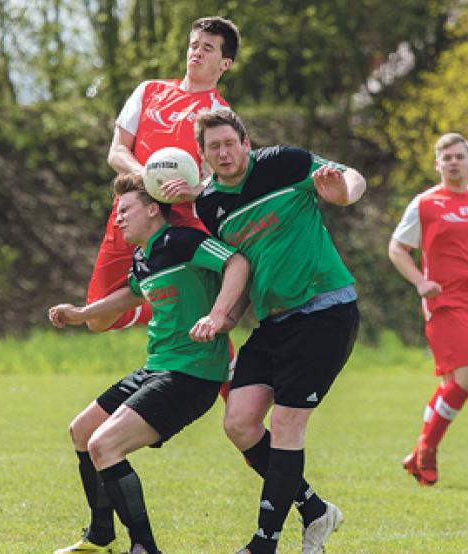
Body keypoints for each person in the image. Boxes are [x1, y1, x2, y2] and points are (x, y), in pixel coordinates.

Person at [193, 109, 366, 554]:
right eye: (214, 147)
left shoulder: (284, 163)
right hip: (273, 322)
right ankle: (314, 510)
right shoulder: (209, 206)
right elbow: (239, 269)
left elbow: (354, 178)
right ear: (205, 155)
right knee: (240, 422)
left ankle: (263, 544)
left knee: (287, 423)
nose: (224, 152)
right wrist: (223, 316)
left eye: (230, 143)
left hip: (324, 311)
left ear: (246, 143)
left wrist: (342, 193)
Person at [49, 173, 250, 554]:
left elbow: (237, 262)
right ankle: (100, 537)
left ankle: (144, 548)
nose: (118, 218)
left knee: (104, 445)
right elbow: (130, 296)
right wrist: (80, 314)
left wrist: (220, 315)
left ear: (153, 208)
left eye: (125, 209)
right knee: (82, 431)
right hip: (157, 368)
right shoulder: (145, 256)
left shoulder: (185, 241)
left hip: (192, 374)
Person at [92, 16, 240, 332]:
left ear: (224, 63)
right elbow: (116, 152)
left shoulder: (222, 116)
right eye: (194, 45)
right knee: (97, 319)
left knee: (193, 314)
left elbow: (229, 178)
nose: (196, 53)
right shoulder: (149, 91)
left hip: (181, 222)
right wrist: (148, 177)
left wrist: (195, 189)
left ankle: (226, 371)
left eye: (208, 49)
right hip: (131, 212)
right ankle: (152, 305)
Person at [387, 132, 468, 486]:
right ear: (438, 165)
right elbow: (397, 249)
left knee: (451, 384)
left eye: (460, 156)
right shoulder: (425, 204)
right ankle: (427, 451)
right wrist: (419, 282)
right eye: (448, 158)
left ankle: (418, 455)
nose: (454, 163)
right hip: (442, 302)